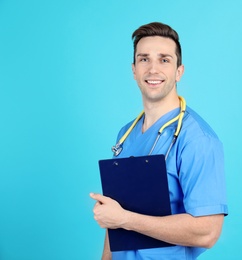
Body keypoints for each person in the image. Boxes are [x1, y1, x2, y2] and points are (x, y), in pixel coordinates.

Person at [90, 22, 228, 260]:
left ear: (179, 71)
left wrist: (126, 219)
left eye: (164, 60)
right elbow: (114, 219)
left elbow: (208, 232)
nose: (153, 69)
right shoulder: (125, 135)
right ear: (134, 70)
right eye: (144, 59)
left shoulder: (197, 139)